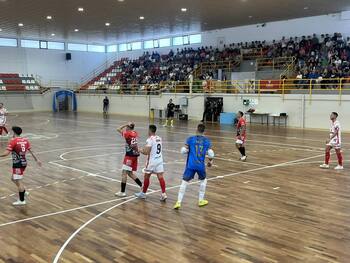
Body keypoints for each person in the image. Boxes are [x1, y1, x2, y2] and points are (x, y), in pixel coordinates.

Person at [174, 123, 214, 209]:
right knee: (203, 181)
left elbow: (184, 150)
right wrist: (210, 162)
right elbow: (211, 153)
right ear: (204, 131)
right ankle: (200, 200)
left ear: (196, 129)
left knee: (184, 182)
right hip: (200, 165)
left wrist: (187, 151)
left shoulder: (190, 139)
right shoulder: (206, 141)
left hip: (190, 165)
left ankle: (178, 202)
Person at [0, 126, 42, 206]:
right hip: (23, 162)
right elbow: (31, 151)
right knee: (13, 178)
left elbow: (6, 154)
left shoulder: (13, 141)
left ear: (14, 132)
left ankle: (22, 200)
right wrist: (37, 160)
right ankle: (24, 191)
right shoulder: (25, 140)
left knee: (19, 181)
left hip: (17, 164)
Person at [134, 125, 167, 201]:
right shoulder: (159, 138)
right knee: (160, 177)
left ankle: (143, 194)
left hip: (152, 161)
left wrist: (139, 150)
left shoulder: (150, 140)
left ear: (150, 130)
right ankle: (163, 194)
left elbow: (146, 152)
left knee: (146, 176)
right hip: (159, 159)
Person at [115, 122, 143, 197]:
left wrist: (124, 124)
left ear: (128, 127)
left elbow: (118, 129)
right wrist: (128, 126)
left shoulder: (127, 134)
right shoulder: (135, 132)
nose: (126, 128)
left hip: (129, 156)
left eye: (127, 126)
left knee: (124, 173)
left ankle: (122, 192)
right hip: (135, 155)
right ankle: (141, 185)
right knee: (130, 173)